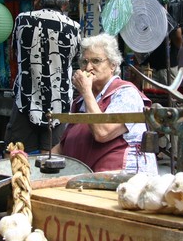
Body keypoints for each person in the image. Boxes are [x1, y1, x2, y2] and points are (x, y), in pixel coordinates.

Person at [53, 33, 157, 174]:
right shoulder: (80, 101)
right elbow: (62, 147)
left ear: (112, 65)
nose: (88, 67)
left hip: (125, 178)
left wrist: (86, 92)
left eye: (96, 61)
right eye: (84, 62)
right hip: (88, 177)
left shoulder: (126, 93)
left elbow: (102, 133)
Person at [4, 0, 80, 152]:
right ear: (66, 3)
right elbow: (74, 60)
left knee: (17, 155)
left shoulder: (23, 20)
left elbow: (15, 52)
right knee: (52, 156)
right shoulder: (74, 27)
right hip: (59, 104)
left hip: (25, 100)